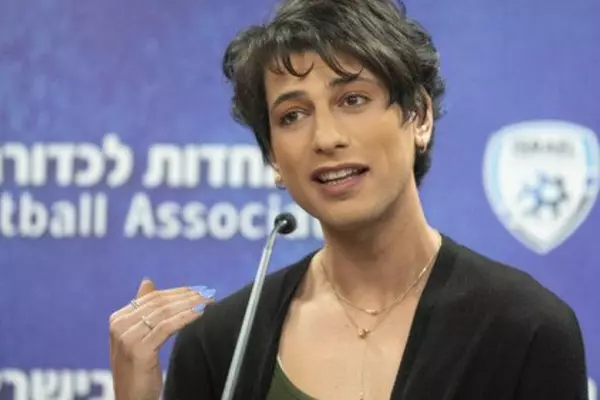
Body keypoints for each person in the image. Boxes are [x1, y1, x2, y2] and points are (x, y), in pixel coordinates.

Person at [108, 0, 590, 399]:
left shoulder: (525, 329)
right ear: (273, 157)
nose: (326, 137)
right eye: (293, 115)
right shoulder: (220, 344)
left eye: (353, 99)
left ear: (420, 116)